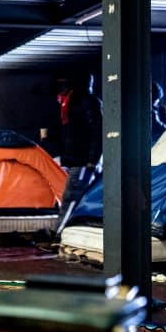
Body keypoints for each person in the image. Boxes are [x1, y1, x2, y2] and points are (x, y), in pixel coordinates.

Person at [53, 72, 103, 236]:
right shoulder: (71, 103)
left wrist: (92, 159)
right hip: (78, 160)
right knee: (77, 197)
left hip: (82, 161)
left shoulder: (86, 103)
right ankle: (68, 233)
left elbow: (96, 132)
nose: (62, 88)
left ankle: (59, 234)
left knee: (70, 199)